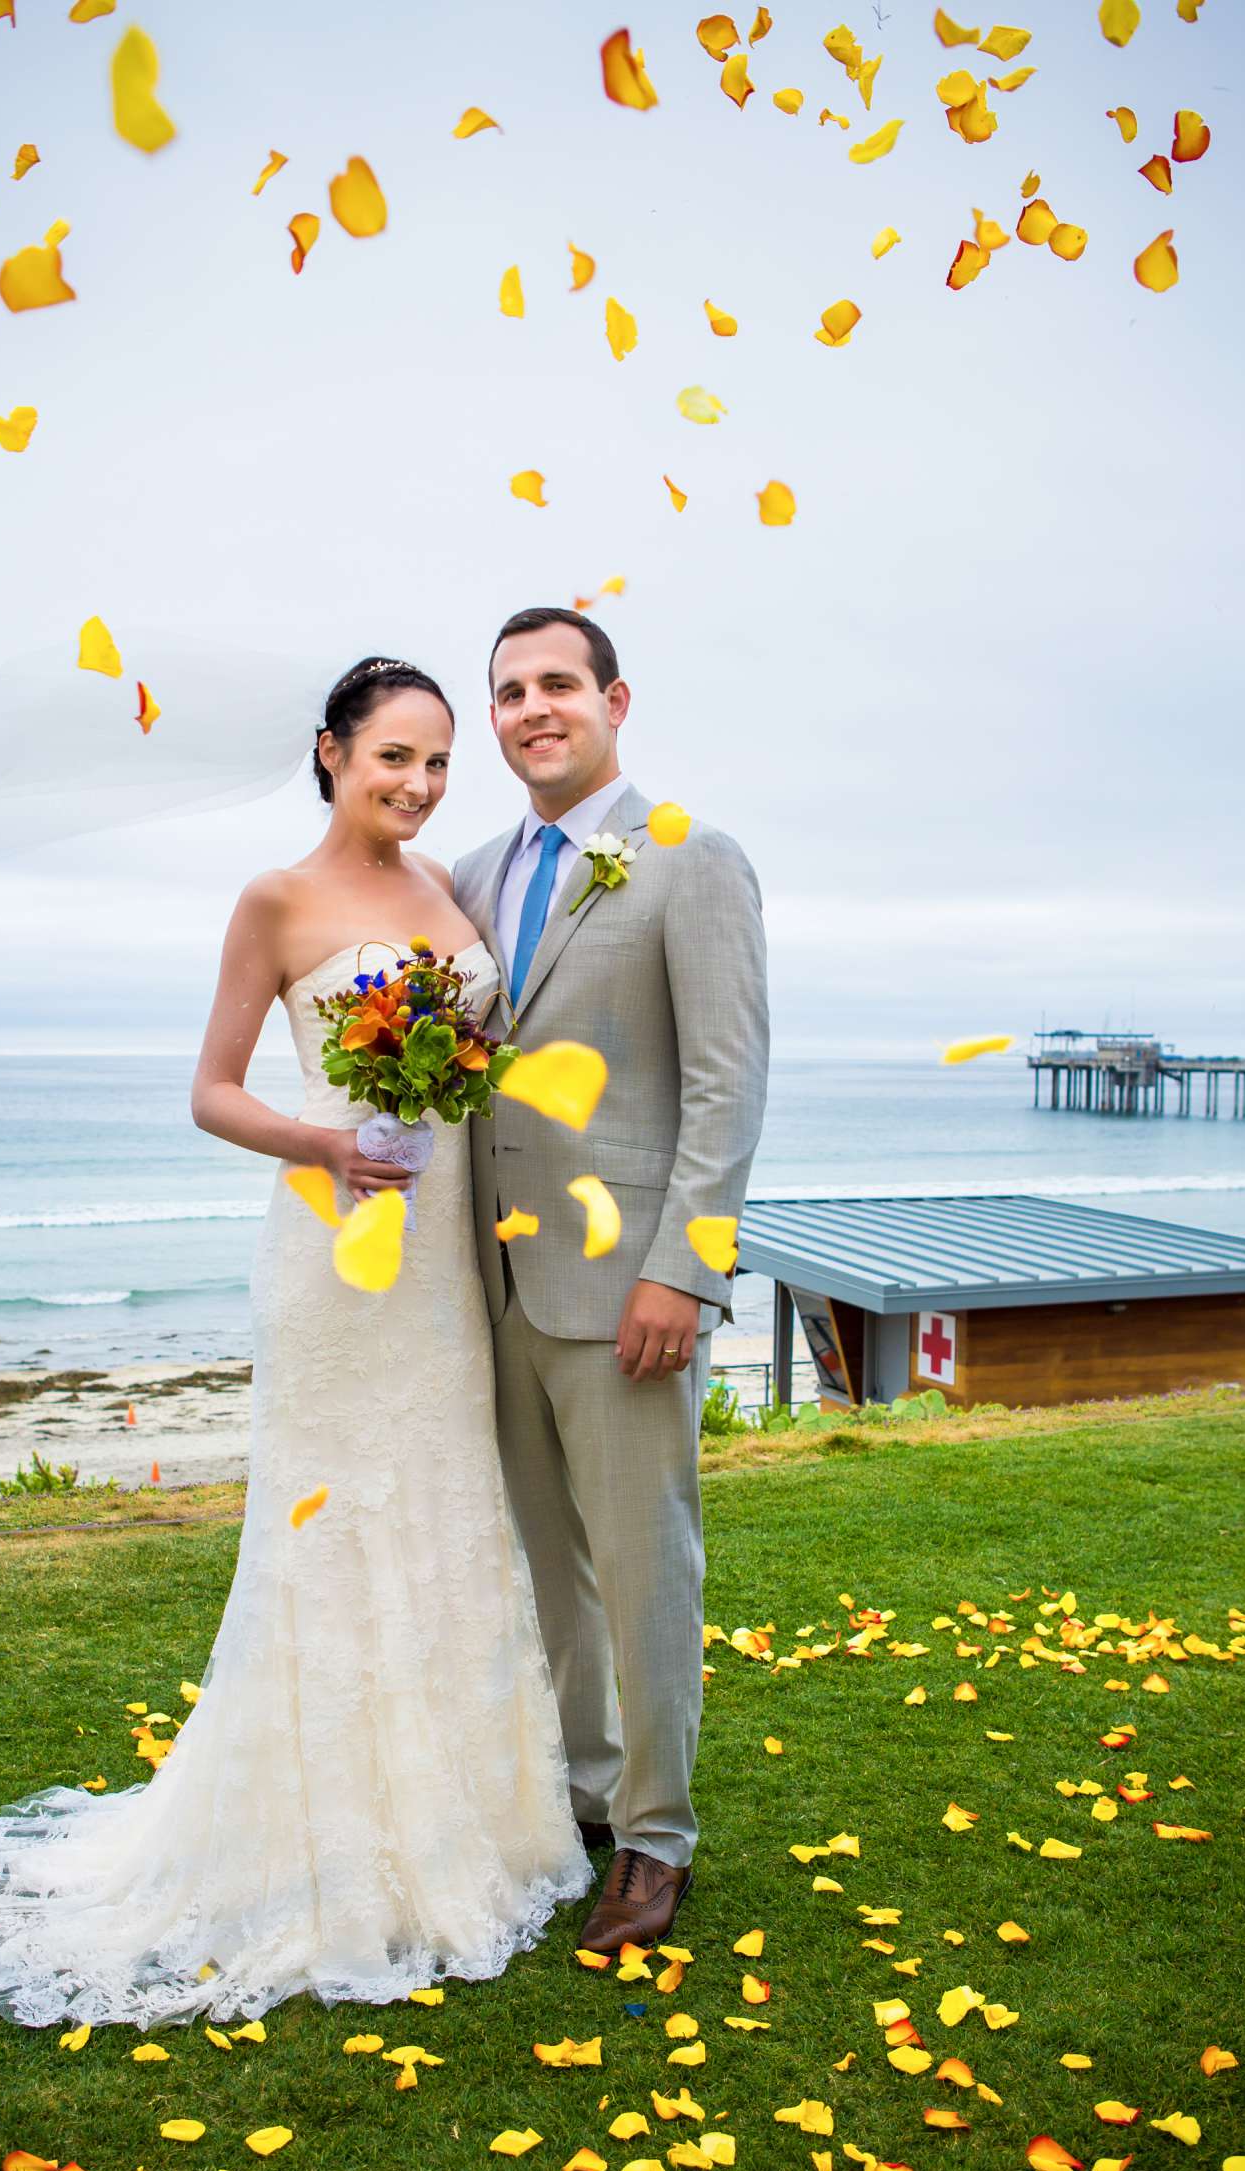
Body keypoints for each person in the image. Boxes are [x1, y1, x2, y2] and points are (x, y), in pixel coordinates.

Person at [0, 656, 591, 2028]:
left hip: (442, 1268)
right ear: (331, 753)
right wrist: (327, 1140)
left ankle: (471, 1828)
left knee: (445, 1513)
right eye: (395, 755)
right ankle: (317, 1848)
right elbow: (212, 1093)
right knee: (331, 1528)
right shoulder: (275, 901)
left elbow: (488, 1057)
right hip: (334, 1257)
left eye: (440, 762)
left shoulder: (448, 893)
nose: (420, 783)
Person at [453, 607, 769, 1957]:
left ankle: (657, 1839)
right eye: (511, 690)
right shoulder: (467, 875)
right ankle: (587, 1796)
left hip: (627, 1285)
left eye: (559, 684)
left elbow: (726, 1080)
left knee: (645, 1569)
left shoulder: (687, 859)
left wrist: (683, 1271)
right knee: (549, 1568)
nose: (535, 708)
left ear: (614, 700)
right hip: (490, 1285)